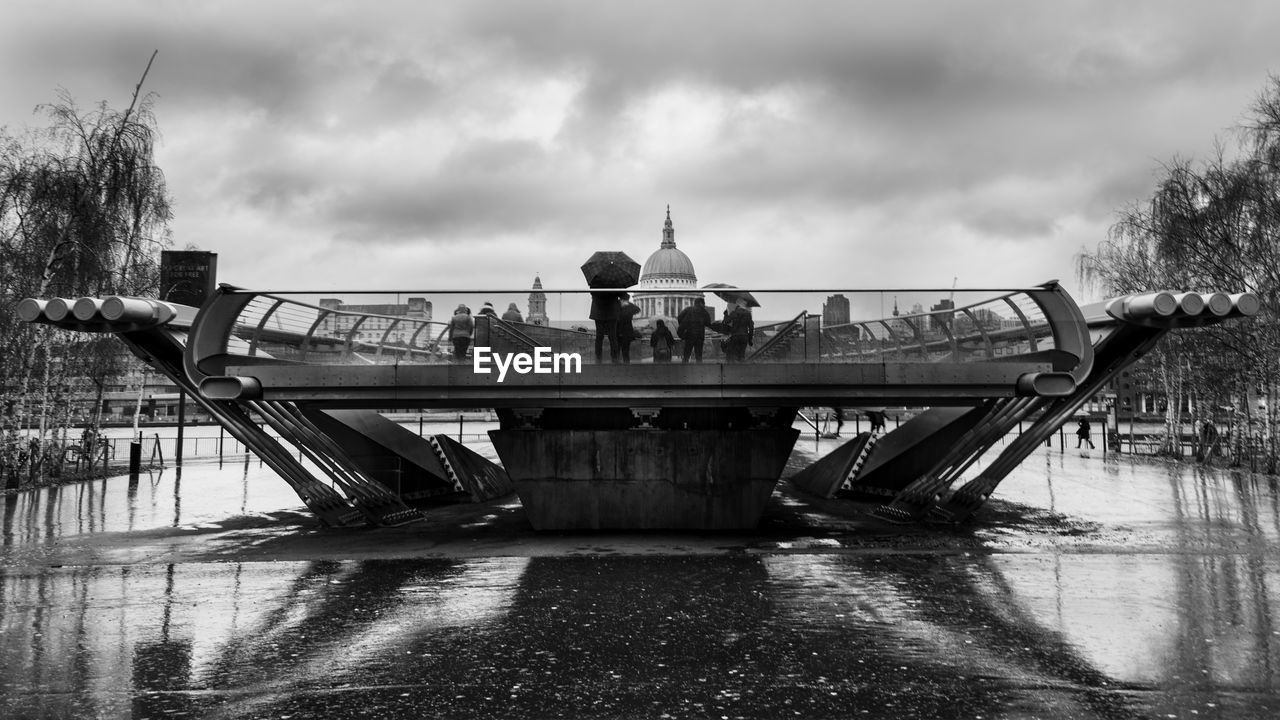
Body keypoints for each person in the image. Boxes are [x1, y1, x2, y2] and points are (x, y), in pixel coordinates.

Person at [589, 290, 622, 363]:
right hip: (611, 311)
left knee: (599, 336)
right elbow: (622, 295)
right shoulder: (614, 283)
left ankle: (598, 358)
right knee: (612, 336)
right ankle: (614, 358)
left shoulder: (596, 281)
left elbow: (592, 293)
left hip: (598, 310)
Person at [677, 298, 712, 363]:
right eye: (703, 303)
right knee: (698, 356)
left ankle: (684, 370)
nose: (704, 304)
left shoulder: (688, 309)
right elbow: (708, 323)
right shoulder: (704, 312)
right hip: (699, 336)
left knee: (686, 355)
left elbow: (679, 317)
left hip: (689, 335)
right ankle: (698, 371)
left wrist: (684, 327)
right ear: (700, 303)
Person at [616, 293, 640, 363]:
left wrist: (627, 304)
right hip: (622, 331)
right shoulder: (618, 307)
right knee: (623, 350)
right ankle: (624, 364)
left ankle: (620, 364)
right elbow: (637, 309)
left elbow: (637, 309)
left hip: (622, 332)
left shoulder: (626, 307)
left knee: (622, 350)